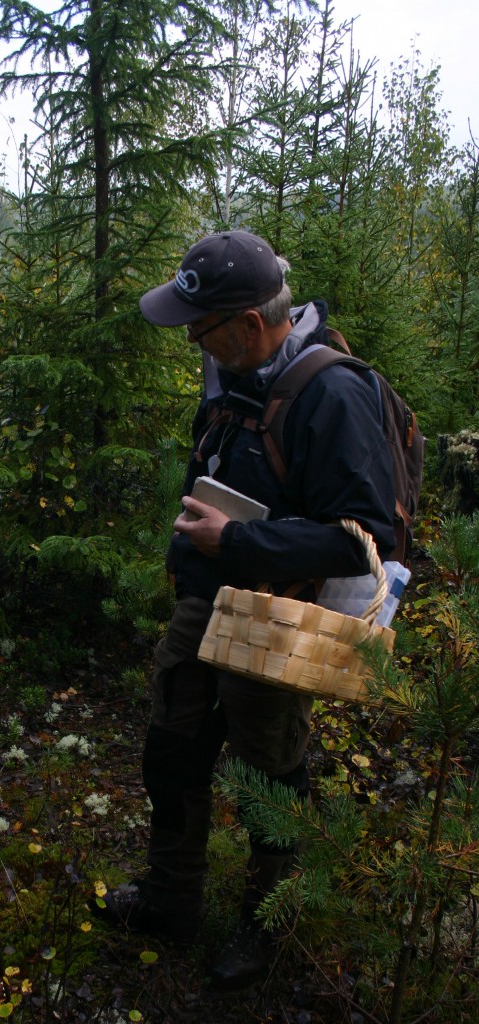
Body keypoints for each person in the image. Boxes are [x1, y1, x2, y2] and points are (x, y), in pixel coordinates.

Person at [99, 232, 395, 988]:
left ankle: (265, 926)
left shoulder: (333, 392)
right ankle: (172, 899)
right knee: (172, 745)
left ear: (251, 323)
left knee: (270, 772)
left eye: (201, 327)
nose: (193, 340)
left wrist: (235, 538)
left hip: (282, 617)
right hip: (210, 595)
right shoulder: (232, 369)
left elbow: (361, 536)